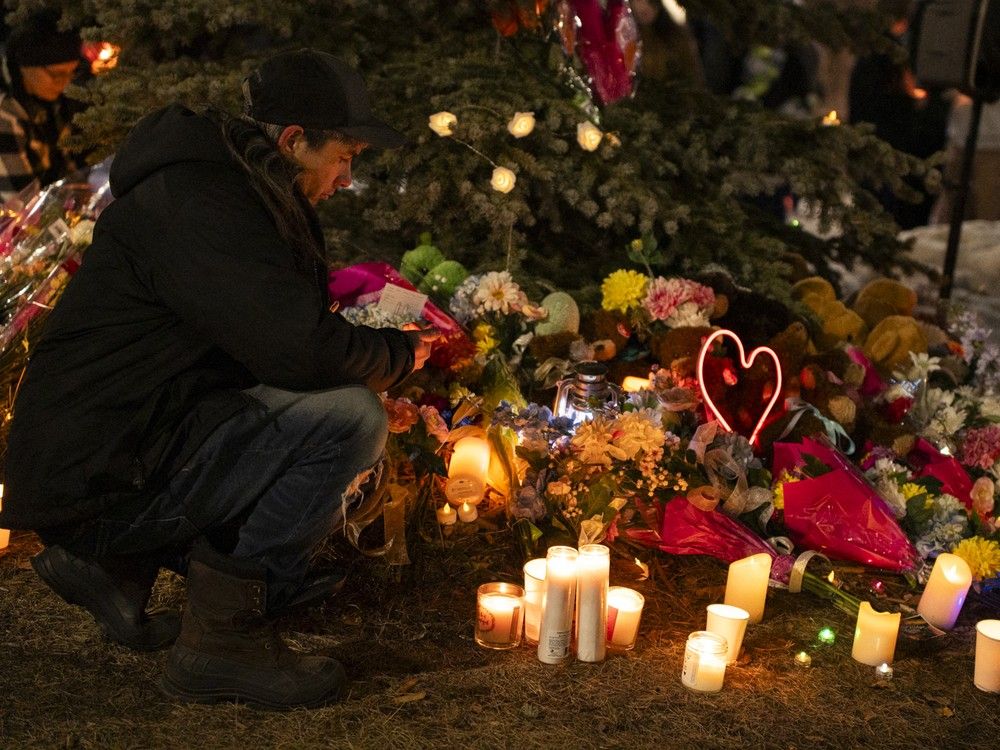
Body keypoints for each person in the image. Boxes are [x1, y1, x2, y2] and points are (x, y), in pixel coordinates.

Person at [0, 48, 438, 709]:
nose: (347, 177)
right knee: (353, 422)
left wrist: (351, 370)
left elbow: (255, 347)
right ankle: (222, 640)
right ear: (293, 141)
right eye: (343, 156)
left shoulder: (231, 187)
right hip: (95, 468)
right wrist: (396, 358)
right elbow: (294, 349)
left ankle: (111, 568)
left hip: (113, 451)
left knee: (336, 407)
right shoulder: (204, 203)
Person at [0, 13, 82, 203]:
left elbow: (67, 165)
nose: (65, 83)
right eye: (56, 74)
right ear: (24, 66)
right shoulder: (5, 115)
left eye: (72, 72)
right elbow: (21, 202)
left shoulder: (51, 101)